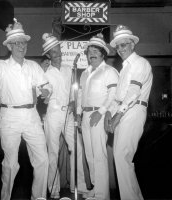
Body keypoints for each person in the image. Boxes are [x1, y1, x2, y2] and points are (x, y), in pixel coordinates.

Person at [0, 19, 51, 200]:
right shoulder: (2, 66)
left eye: (23, 42)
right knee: (10, 164)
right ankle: (5, 197)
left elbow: (45, 85)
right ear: (9, 46)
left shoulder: (33, 66)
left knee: (43, 160)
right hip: (10, 117)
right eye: (16, 43)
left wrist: (46, 91)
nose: (20, 46)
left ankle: (38, 197)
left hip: (32, 116)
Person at [104, 25, 153, 200]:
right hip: (124, 112)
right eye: (117, 46)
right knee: (121, 159)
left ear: (132, 44)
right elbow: (118, 97)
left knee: (122, 157)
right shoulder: (125, 68)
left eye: (123, 45)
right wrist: (109, 113)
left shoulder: (140, 63)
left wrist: (117, 115)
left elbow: (133, 92)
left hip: (134, 111)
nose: (120, 49)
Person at [41, 33, 88, 199]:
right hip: (53, 113)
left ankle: (80, 186)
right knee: (52, 152)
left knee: (77, 147)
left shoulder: (69, 69)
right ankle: (53, 191)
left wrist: (73, 102)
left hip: (68, 114)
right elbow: (42, 94)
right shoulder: (44, 71)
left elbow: (75, 91)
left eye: (58, 50)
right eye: (53, 52)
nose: (58, 54)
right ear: (48, 55)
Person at [77, 33, 119, 200]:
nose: (92, 54)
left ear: (103, 53)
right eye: (89, 51)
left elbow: (113, 95)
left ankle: (103, 195)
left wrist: (100, 112)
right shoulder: (84, 73)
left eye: (96, 51)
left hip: (99, 115)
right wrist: (79, 114)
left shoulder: (109, 71)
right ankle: (95, 189)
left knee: (99, 154)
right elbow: (80, 95)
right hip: (86, 115)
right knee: (89, 154)